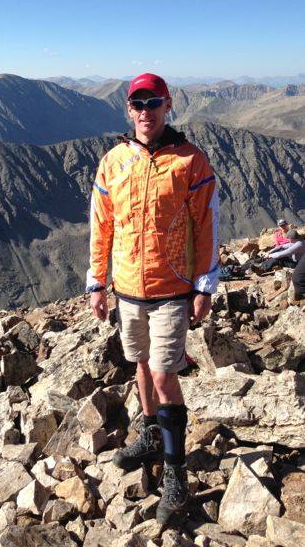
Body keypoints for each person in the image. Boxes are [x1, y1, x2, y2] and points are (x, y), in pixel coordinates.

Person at [86, 73, 219, 524]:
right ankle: (149, 435)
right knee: (141, 365)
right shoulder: (113, 161)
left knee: (164, 375)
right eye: (138, 104)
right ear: (129, 109)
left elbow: (206, 223)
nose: (146, 112)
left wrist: (204, 285)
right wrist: (97, 282)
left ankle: (176, 473)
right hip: (126, 288)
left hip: (172, 289)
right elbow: (101, 224)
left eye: (154, 103)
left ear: (167, 106)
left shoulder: (190, 161)